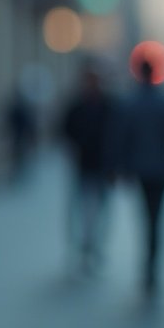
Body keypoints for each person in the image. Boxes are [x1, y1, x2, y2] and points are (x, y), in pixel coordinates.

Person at [108, 59, 164, 292]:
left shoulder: (130, 103)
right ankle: (152, 263)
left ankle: (148, 263)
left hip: (140, 169)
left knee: (145, 216)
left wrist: (117, 168)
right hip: (160, 169)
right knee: (156, 217)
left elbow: (120, 138)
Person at [60, 61, 114, 273]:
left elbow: (115, 134)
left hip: (102, 166)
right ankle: (82, 246)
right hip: (82, 166)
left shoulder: (108, 105)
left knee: (100, 209)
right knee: (81, 208)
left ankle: (95, 245)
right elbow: (65, 131)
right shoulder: (76, 106)